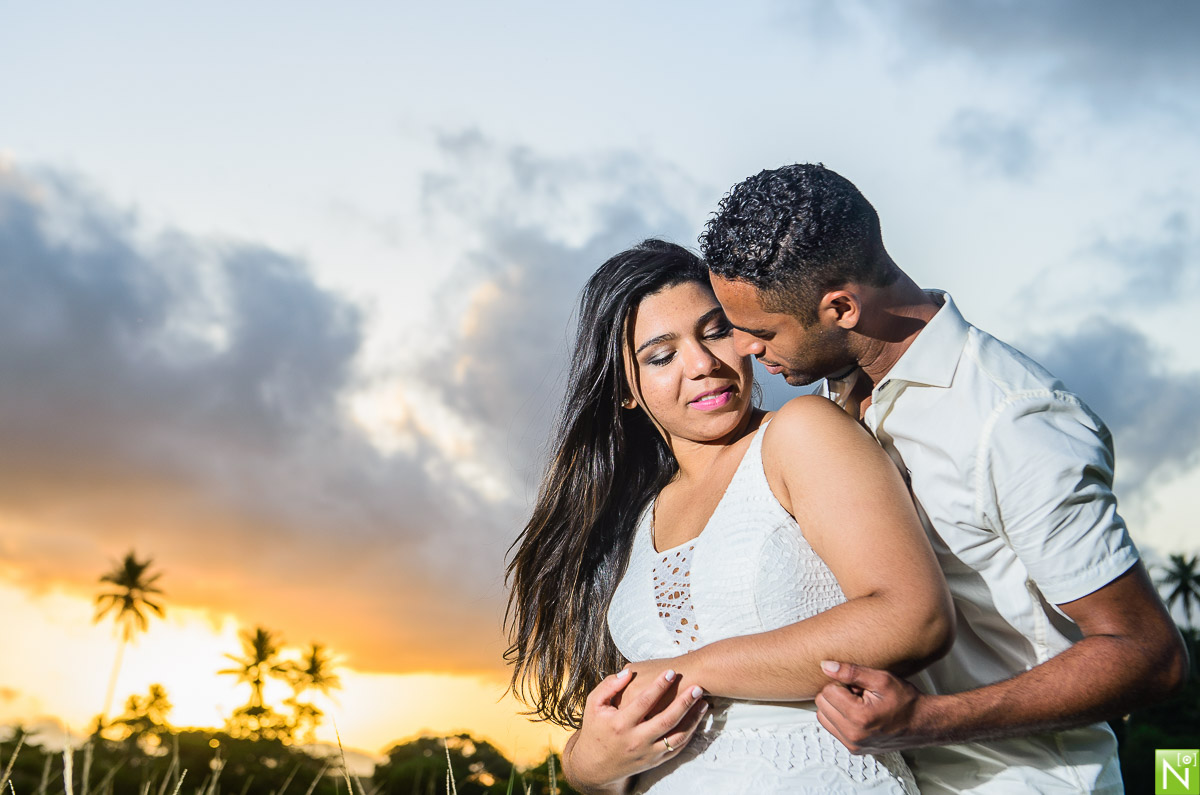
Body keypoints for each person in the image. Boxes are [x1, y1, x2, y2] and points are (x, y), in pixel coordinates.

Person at [687, 163, 1188, 793]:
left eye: (761, 332)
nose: (746, 350)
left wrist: (925, 721)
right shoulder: (834, 398)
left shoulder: (1011, 422)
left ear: (841, 306)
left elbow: (1149, 653)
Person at [505, 239, 955, 793]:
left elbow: (913, 617)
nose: (703, 365)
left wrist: (691, 670)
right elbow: (619, 736)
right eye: (662, 356)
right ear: (626, 390)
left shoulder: (800, 433)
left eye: (715, 331)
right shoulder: (636, 514)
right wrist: (588, 765)